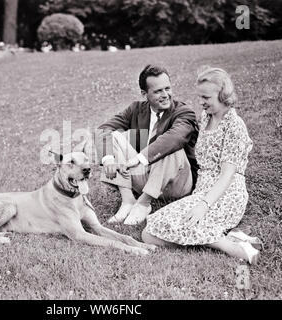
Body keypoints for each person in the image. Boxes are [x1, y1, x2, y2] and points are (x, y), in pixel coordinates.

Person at [141, 66, 261, 264]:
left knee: (153, 232)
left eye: (206, 98)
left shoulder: (234, 125)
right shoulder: (206, 118)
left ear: (223, 95)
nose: (201, 102)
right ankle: (229, 238)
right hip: (203, 191)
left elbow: (226, 176)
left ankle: (229, 246)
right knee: (150, 231)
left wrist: (203, 206)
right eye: (200, 97)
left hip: (225, 194)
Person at [96, 65, 199, 225]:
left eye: (167, 88)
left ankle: (143, 204)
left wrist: (141, 157)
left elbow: (176, 137)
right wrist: (108, 160)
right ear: (145, 94)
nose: (166, 95)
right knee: (113, 136)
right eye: (158, 91)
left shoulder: (184, 112)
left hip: (177, 182)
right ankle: (128, 200)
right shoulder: (136, 109)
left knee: (170, 145)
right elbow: (104, 129)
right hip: (147, 176)